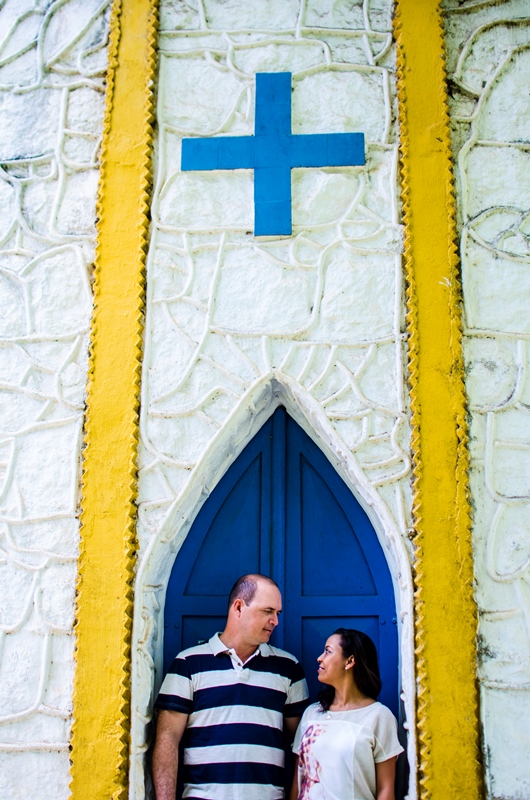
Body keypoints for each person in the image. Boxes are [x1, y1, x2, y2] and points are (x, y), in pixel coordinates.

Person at [153, 573, 309, 800]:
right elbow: (167, 739)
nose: (275, 621)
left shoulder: (288, 668)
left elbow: (303, 747)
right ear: (238, 607)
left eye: (277, 613)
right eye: (267, 611)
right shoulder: (188, 664)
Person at [290, 628, 403, 800]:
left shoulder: (378, 716)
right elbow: (297, 783)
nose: (320, 658)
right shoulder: (311, 714)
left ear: (350, 661)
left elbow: (385, 789)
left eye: (328, 651)